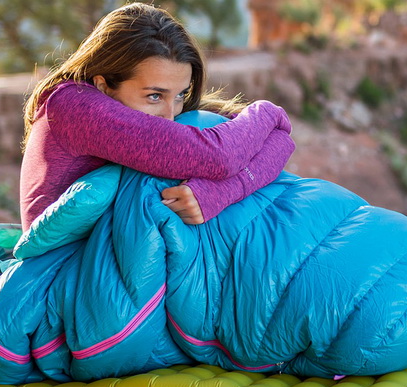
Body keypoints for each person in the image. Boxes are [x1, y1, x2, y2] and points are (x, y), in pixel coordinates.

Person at [20, 2, 295, 231]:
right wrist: (267, 111)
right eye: (154, 96)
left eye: (180, 95)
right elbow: (220, 156)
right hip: (69, 272)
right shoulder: (73, 106)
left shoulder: (163, 110)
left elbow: (280, 140)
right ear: (104, 85)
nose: (170, 116)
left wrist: (224, 192)